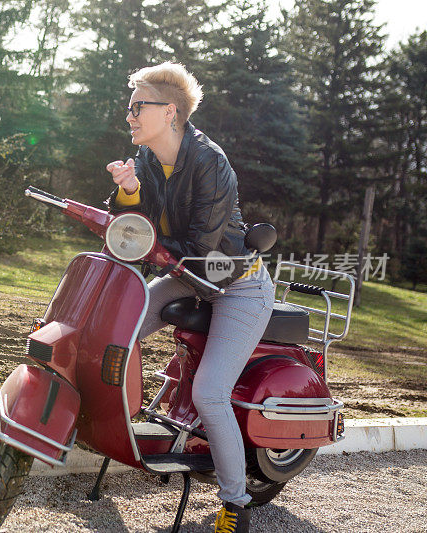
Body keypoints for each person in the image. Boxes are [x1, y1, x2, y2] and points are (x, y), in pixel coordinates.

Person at [105, 62, 275, 533]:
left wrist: (149, 244)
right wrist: (129, 191)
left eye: (139, 106)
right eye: (130, 107)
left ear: (170, 111)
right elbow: (129, 226)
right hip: (189, 274)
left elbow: (199, 247)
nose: (130, 116)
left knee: (209, 392)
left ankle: (234, 505)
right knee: (116, 335)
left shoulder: (209, 160)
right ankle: (110, 427)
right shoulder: (144, 160)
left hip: (236, 283)